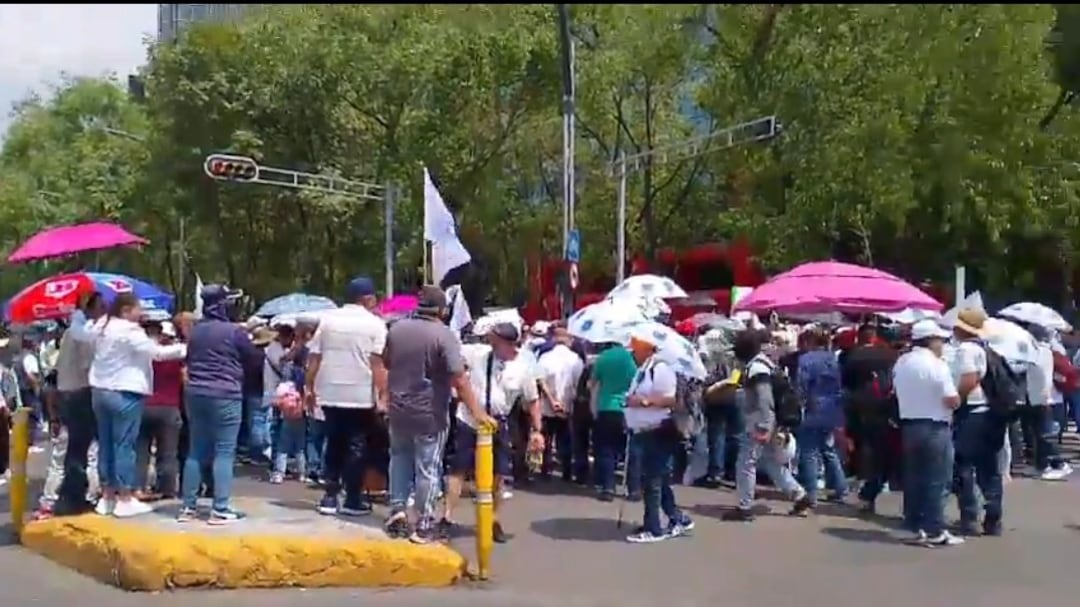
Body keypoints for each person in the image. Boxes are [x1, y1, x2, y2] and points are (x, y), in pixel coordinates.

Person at [376, 286, 489, 543]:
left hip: (399, 408)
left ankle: (398, 511)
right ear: (442, 309)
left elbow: (386, 362)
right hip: (430, 412)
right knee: (428, 466)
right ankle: (424, 521)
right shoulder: (444, 335)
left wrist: (385, 395)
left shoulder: (397, 330)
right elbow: (459, 378)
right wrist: (478, 412)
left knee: (399, 459)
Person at [74, 293, 186, 518]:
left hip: (100, 391)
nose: (141, 313)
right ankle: (125, 497)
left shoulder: (100, 326)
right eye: (138, 308)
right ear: (126, 311)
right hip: (125, 392)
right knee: (125, 445)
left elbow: (79, 331)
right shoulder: (129, 330)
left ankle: (107, 497)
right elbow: (158, 354)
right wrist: (185, 348)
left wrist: (75, 313)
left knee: (106, 444)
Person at [444, 322, 542, 544]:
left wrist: (537, 431)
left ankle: (491, 519)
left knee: (499, 474)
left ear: (508, 343)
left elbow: (532, 401)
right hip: (469, 420)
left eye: (496, 340)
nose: (491, 343)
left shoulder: (523, 368)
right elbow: (452, 351)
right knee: (458, 468)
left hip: (498, 423)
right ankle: (447, 517)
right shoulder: (478, 354)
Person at [305, 276, 387, 516]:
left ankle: (330, 496)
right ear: (367, 298)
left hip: (329, 392)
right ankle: (352, 498)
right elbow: (377, 364)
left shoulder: (328, 321)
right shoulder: (375, 324)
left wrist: (309, 389)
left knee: (334, 443)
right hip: (360, 394)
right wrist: (382, 396)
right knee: (356, 445)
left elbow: (315, 358)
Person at [180, 284, 258, 523]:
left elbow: (190, 359)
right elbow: (253, 358)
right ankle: (220, 509)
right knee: (224, 451)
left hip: (195, 394)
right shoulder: (234, 332)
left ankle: (188, 508)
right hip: (225, 393)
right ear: (223, 304)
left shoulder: (196, 332)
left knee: (196, 451)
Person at [723, 330, 811, 522]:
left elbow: (765, 400)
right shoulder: (764, 363)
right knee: (771, 462)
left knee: (746, 463)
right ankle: (799, 495)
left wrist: (764, 426)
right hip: (769, 422)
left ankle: (744, 506)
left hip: (759, 423)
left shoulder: (757, 369)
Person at [893, 319, 963, 547]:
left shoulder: (902, 362)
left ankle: (914, 524)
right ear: (931, 340)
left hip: (909, 425)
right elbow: (951, 399)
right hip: (935, 425)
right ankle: (934, 528)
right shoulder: (937, 364)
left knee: (914, 477)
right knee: (937, 479)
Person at [623, 334, 694, 543]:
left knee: (652, 480)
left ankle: (654, 527)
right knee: (658, 479)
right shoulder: (645, 368)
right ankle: (676, 518)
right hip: (645, 430)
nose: (633, 353)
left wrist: (642, 402)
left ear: (646, 348)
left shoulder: (661, 368)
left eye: (635, 349)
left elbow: (671, 399)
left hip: (657, 430)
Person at [51, 292, 106, 516]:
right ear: (88, 306)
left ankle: (70, 494)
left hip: (68, 392)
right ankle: (72, 496)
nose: (104, 310)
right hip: (79, 393)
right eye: (101, 305)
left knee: (77, 447)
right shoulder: (80, 333)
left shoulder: (73, 330)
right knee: (79, 448)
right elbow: (88, 365)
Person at [795, 327, 848, 507]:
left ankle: (811, 493)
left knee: (809, 451)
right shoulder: (832, 359)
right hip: (832, 409)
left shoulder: (806, 360)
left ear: (808, 342)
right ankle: (841, 488)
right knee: (828, 449)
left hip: (813, 408)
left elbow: (801, 385)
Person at [135, 321, 184, 500]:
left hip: (144, 405)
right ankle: (167, 489)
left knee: (141, 450)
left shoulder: (142, 355)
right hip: (169, 407)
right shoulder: (176, 356)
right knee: (168, 452)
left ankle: (138, 486)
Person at [589, 341, 638, 501]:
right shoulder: (632, 358)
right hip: (627, 409)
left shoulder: (603, 358)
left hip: (606, 407)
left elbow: (592, 384)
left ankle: (608, 487)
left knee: (606, 449)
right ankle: (633, 489)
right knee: (630, 450)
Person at [536, 327, 584, 481]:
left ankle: (546, 469)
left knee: (547, 438)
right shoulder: (576, 359)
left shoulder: (545, 357)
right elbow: (579, 384)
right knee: (566, 439)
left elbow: (540, 381)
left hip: (547, 405)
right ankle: (567, 471)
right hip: (568, 405)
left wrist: (552, 400)